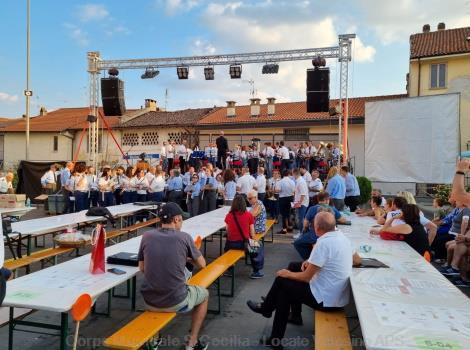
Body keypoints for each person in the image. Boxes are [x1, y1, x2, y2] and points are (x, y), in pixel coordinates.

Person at [247, 212, 361, 349]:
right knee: (293, 267)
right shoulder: (342, 237)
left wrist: (287, 274)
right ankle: (290, 317)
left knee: (282, 281)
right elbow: (356, 259)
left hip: (326, 300)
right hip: (337, 296)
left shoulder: (324, 242)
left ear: (317, 228)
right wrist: (313, 261)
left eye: (313, 226)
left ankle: (267, 309)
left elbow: (306, 278)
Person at [138, 203, 209, 350]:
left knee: (158, 284)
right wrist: (190, 258)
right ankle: (192, 342)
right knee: (205, 295)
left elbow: (142, 268)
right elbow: (202, 264)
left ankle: (154, 340)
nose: (182, 222)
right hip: (176, 300)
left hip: (149, 300)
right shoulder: (184, 237)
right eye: (182, 219)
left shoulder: (146, 236)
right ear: (176, 219)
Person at [294, 192, 348, 259]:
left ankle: (308, 258)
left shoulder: (312, 208)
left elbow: (305, 223)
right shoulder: (332, 209)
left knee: (297, 243)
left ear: (318, 199)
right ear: (327, 200)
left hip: (314, 235)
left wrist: (305, 230)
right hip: (330, 234)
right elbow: (342, 220)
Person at [224, 195, 263, 279]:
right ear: (244, 204)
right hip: (243, 244)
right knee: (257, 247)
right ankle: (256, 271)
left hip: (231, 244)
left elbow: (227, 230)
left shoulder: (229, 215)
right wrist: (254, 241)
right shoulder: (248, 215)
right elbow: (252, 232)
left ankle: (229, 270)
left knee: (226, 247)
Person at [275, 169, 295, 234]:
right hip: (290, 198)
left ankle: (284, 229)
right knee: (289, 213)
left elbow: (278, 190)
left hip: (283, 198)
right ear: (289, 174)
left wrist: (274, 190)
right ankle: (289, 227)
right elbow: (294, 191)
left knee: (284, 214)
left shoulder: (280, 181)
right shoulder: (292, 181)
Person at [292, 168, 309, 239]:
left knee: (300, 219)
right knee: (299, 218)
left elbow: (303, 194)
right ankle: (301, 232)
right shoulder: (299, 181)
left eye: (292, 174)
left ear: (294, 174)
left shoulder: (301, 182)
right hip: (300, 202)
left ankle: (302, 233)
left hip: (302, 203)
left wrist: (299, 203)